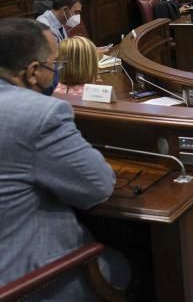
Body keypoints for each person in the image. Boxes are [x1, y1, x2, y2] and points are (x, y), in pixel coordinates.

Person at [0, 18, 116, 299]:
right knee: (131, 263)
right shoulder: (41, 114)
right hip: (27, 281)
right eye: (54, 64)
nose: (58, 71)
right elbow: (98, 188)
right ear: (32, 72)